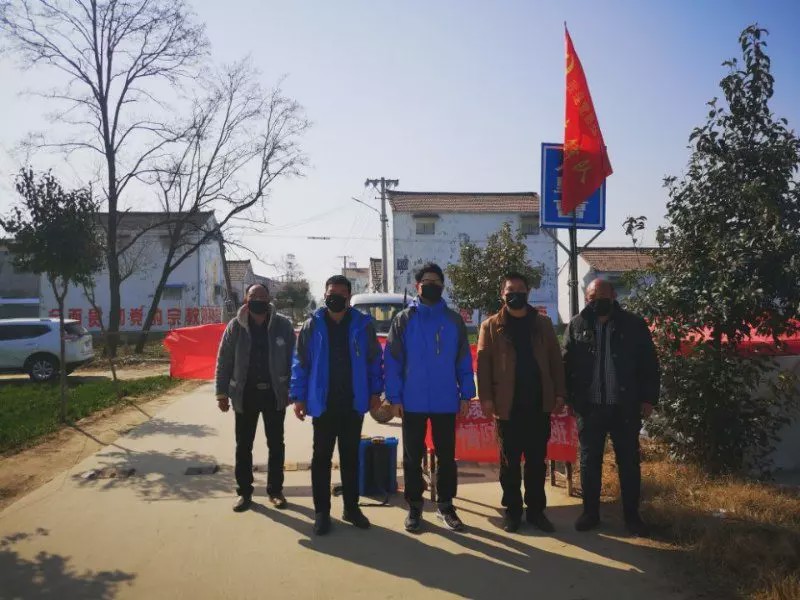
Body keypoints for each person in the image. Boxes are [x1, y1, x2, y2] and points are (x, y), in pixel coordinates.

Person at [563, 278, 660, 536]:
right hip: (590, 407)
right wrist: (569, 399)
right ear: (587, 299)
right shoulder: (577, 325)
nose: (598, 302)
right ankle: (590, 513)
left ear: (614, 296)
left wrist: (648, 399)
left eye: (602, 296)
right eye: (592, 298)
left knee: (628, 463)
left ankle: (632, 517)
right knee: (589, 462)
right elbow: (566, 365)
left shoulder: (633, 325)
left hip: (624, 407)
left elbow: (649, 364)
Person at [385, 263, 476, 533]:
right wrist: (394, 397)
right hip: (411, 401)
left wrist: (466, 393)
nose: (431, 285)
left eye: (436, 281)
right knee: (412, 457)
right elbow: (392, 360)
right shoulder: (404, 320)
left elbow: (463, 359)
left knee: (447, 457)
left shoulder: (453, 320)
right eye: (426, 281)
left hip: (445, 399)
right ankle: (415, 506)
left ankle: (446, 506)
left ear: (443, 286)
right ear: (417, 286)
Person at [290, 275, 383, 536]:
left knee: (350, 458)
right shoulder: (312, 325)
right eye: (332, 293)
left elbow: (374, 360)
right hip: (323, 404)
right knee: (321, 458)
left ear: (349, 297)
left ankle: (351, 508)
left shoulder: (363, 325)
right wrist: (298, 396)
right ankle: (322, 513)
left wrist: (376, 391)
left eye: (341, 294)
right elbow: (300, 362)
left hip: (353, 402)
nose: (336, 298)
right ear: (325, 294)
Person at [476, 272, 566, 533]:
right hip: (507, 407)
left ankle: (536, 511)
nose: (515, 294)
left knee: (537, 462)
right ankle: (513, 512)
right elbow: (483, 366)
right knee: (509, 463)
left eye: (520, 290)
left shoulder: (543, 324)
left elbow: (555, 361)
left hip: (538, 404)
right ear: (502, 294)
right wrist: (486, 398)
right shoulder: (490, 326)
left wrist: (560, 393)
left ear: (528, 292)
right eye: (510, 290)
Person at [215, 282, 296, 512]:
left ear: (269, 300)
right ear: (246, 300)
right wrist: (221, 393)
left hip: (274, 394)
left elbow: (295, 359)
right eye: (253, 296)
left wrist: (293, 390)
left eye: (262, 296)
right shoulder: (235, 326)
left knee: (276, 444)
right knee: (243, 446)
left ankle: (275, 491)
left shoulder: (283, 325)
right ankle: (244, 492)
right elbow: (224, 360)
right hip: (245, 394)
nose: (258, 300)